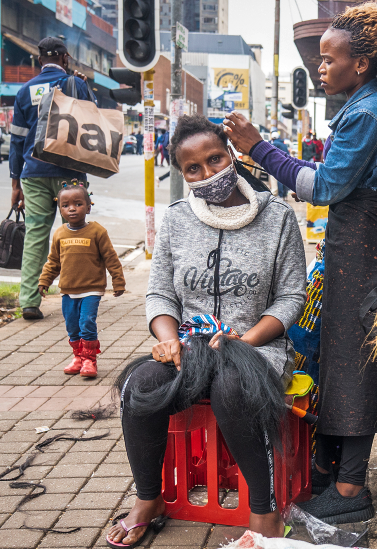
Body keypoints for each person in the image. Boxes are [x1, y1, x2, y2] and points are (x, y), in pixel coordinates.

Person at [222, 1, 377, 523]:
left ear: (360, 64)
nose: (319, 68)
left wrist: (261, 149)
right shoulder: (368, 105)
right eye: (319, 59)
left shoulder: (366, 113)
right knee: (341, 352)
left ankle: (348, 491)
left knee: (353, 357)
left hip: (367, 242)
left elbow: (325, 186)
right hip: (367, 240)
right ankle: (331, 471)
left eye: (328, 59)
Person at [108, 115, 306, 547]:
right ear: (182, 174)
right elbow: (160, 295)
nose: (208, 173)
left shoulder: (278, 218)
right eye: (193, 168)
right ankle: (148, 499)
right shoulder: (177, 218)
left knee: (235, 388)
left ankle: (265, 513)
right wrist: (166, 338)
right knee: (138, 387)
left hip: (258, 345)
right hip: (190, 346)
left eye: (215, 159)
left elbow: (291, 297)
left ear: (232, 155)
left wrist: (247, 339)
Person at [8, 36, 95, 321]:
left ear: (39, 59)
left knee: (36, 235)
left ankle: (30, 300)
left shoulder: (24, 91)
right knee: (74, 234)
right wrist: (84, 86)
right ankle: (75, 295)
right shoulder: (76, 84)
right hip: (69, 173)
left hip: (32, 173)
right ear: (65, 58)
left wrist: (15, 182)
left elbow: (17, 141)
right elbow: (93, 122)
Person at [38, 183, 126, 378]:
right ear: (60, 208)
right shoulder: (60, 233)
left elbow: (111, 258)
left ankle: (89, 360)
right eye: (65, 205)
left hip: (92, 290)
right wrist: (44, 280)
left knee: (86, 322)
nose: (71, 208)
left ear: (88, 207)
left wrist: (118, 281)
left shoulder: (97, 232)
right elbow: (53, 261)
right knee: (72, 325)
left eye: (77, 204)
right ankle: (78, 357)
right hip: (68, 290)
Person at [270, 132, 290, 198]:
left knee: (279, 179)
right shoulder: (283, 144)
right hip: (286, 163)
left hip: (278, 163)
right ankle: (285, 194)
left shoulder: (275, 143)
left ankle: (281, 195)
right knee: (284, 178)